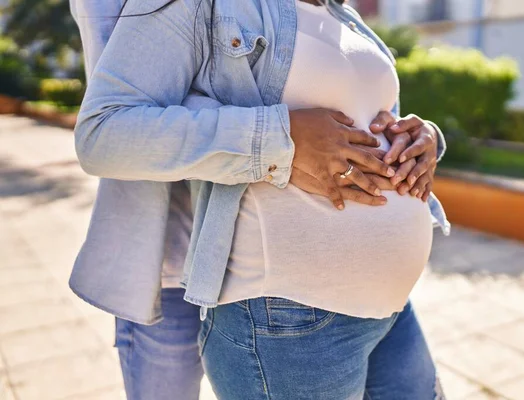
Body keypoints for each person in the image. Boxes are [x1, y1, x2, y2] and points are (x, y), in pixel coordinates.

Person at [70, 0, 450, 398]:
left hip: (392, 309)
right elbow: (104, 132)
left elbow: (370, 119)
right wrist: (281, 138)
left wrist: (423, 137)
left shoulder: (344, 15)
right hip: (287, 318)